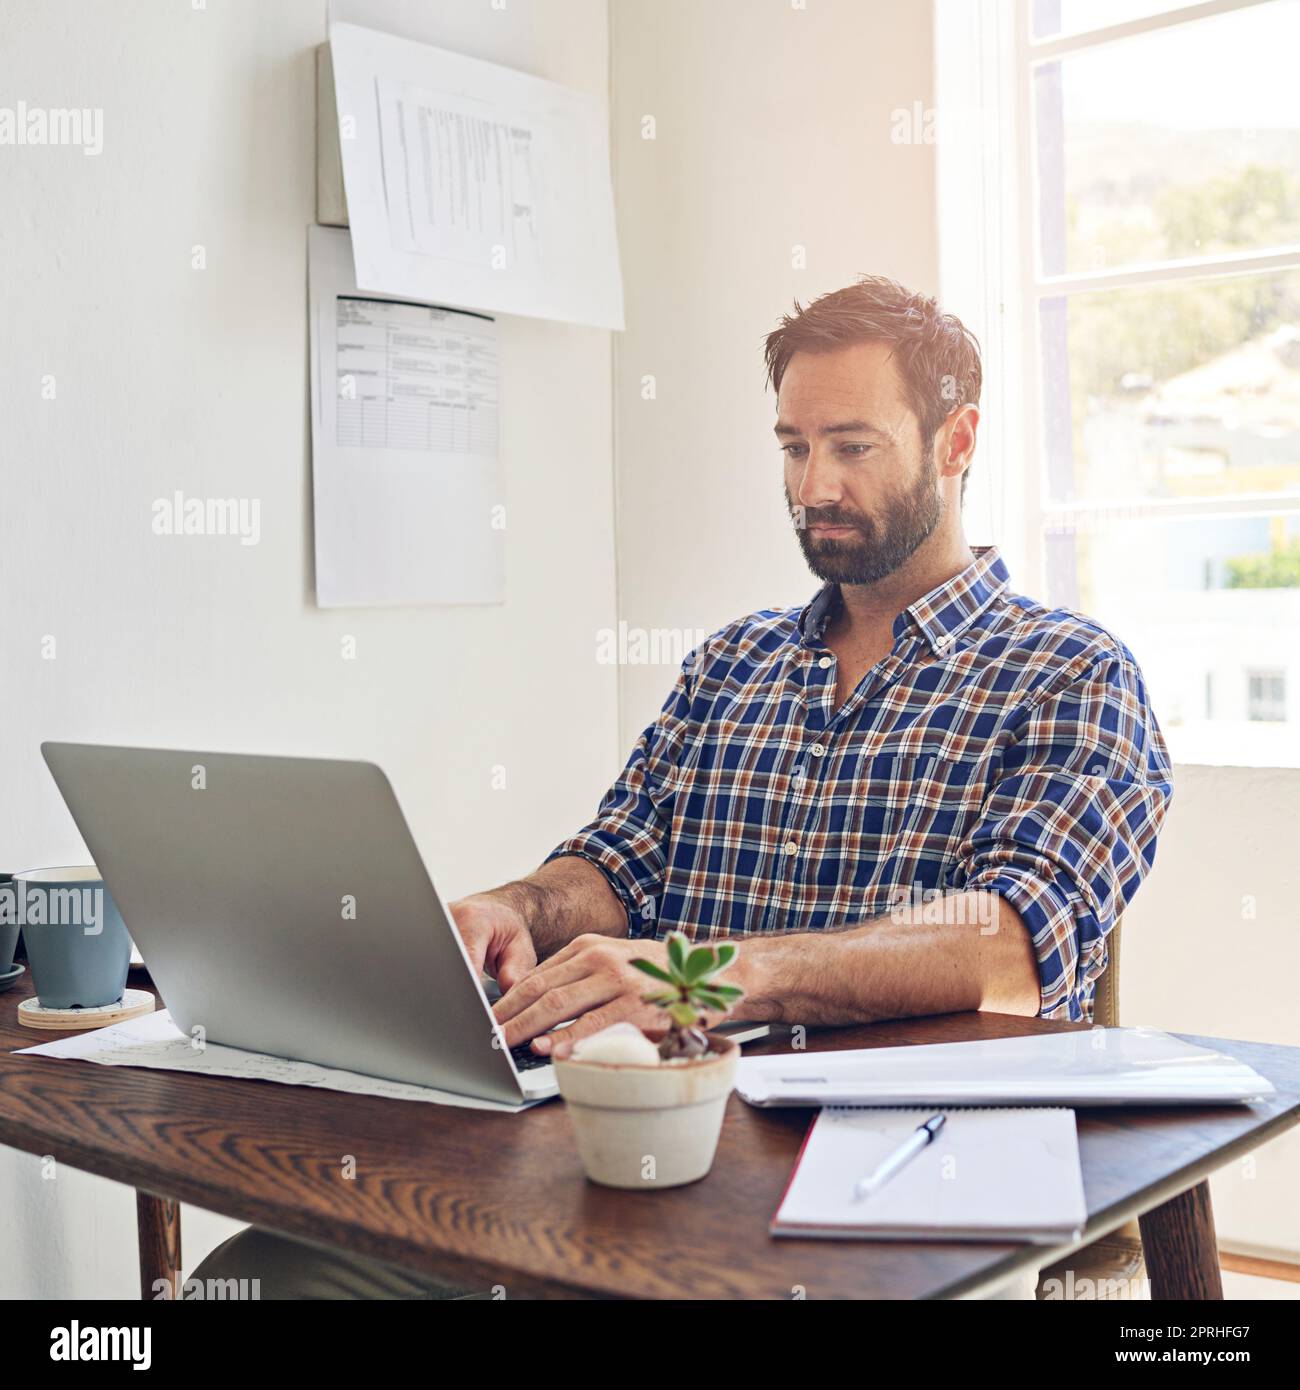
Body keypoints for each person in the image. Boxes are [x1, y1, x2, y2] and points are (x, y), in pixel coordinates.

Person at [196, 276, 1172, 1297]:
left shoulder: (1071, 674)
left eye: (852, 446)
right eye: (793, 447)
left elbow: (1008, 946)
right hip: (629, 1160)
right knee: (259, 1276)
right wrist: (514, 908)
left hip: (878, 1194)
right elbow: (615, 862)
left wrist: (699, 975)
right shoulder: (732, 662)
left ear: (955, 440)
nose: (812, 488)